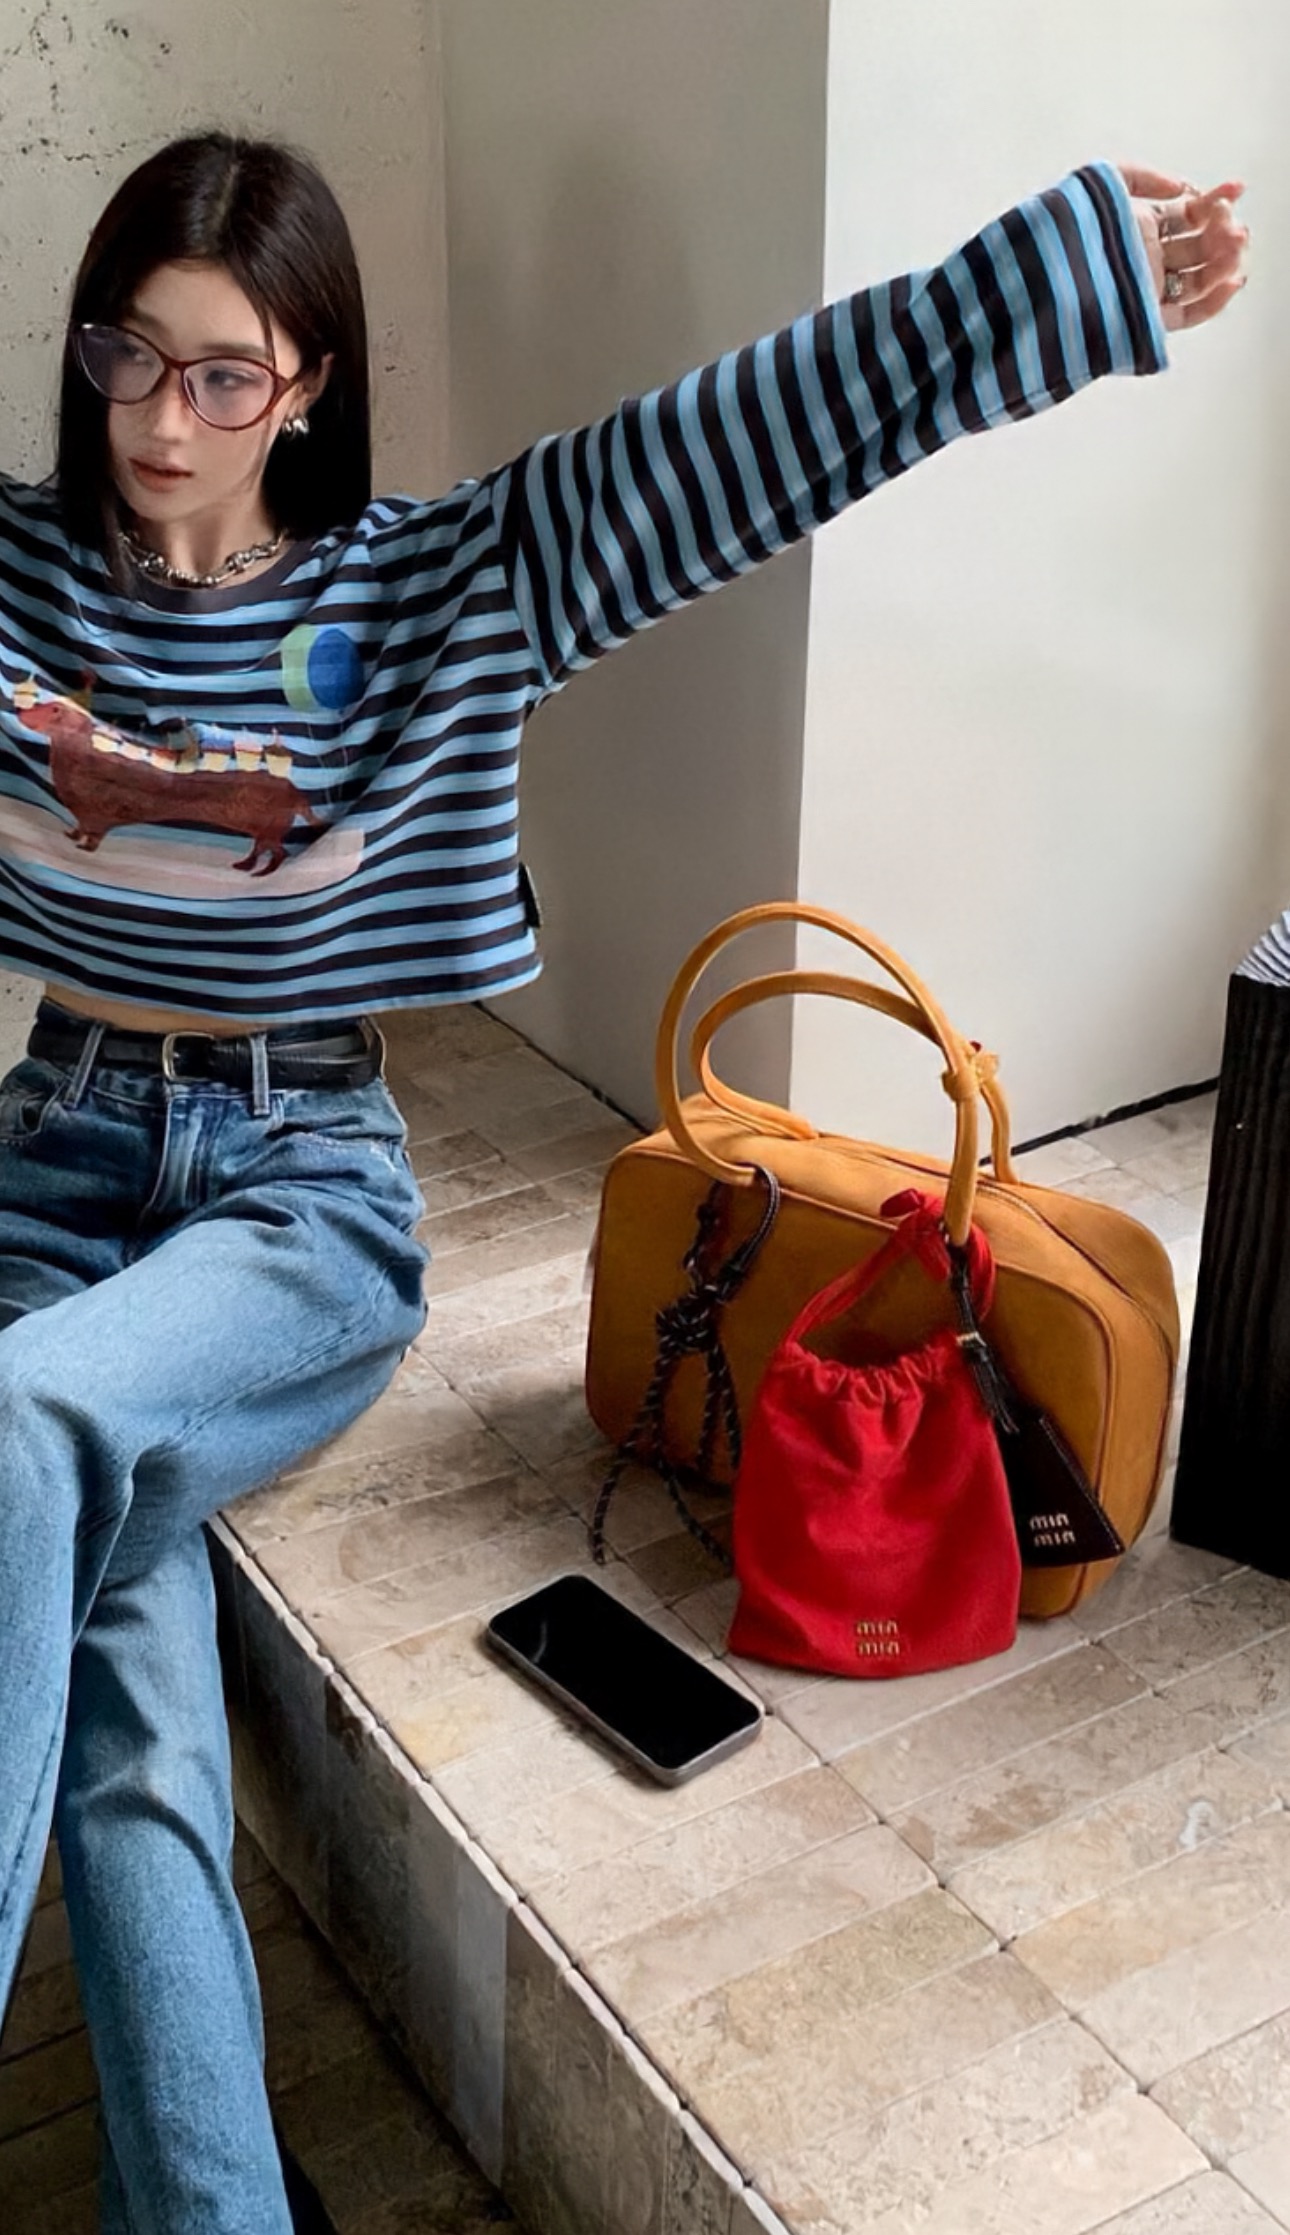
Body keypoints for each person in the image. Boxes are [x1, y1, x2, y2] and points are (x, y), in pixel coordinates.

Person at [0, 130, 1247, 2234]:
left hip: (296, 1189)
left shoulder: (435, 589)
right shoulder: (19, 581)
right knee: (130, 1713)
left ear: (309, 384)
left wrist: (1054, 273)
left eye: (222, 374)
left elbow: (752, 435)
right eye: (126, 355)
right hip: (48, 1166)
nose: (159, 420)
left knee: (24, 1419)